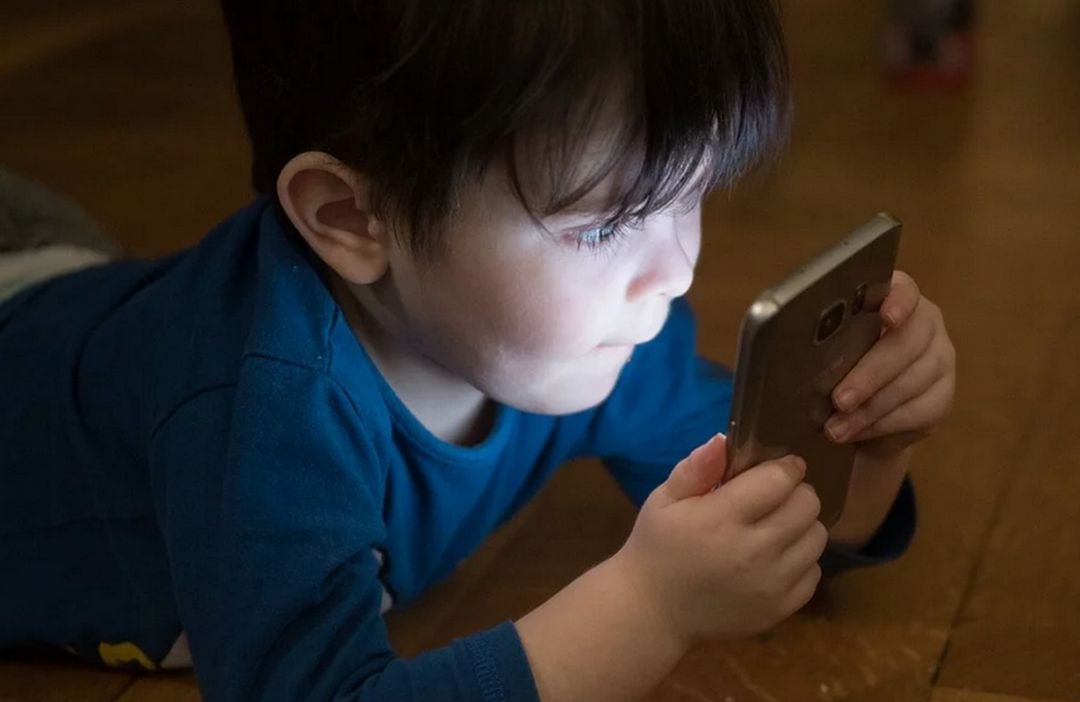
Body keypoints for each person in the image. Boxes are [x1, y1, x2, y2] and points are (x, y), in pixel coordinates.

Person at [0, 1, 956, 700]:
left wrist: (867, 439)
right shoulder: (264, 418)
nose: (673, 272)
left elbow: (776, 520)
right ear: (350, 218)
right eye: (604, 224)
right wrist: (647, 609)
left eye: (690, 191)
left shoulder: (602, 336)